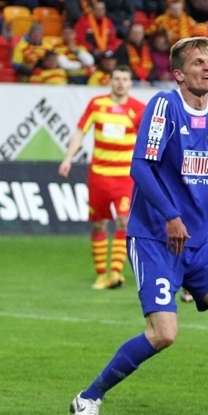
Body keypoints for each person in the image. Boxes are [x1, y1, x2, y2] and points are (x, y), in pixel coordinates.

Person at [70, 37, 208, 415]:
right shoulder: (164, 106)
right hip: (154, 238)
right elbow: (140, 167)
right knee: (163, 334)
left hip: (197, 240)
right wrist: (170, 216)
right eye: (198, 62)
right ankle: (89, 397)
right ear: (179, 74)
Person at [59, 67, 147, 289]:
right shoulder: (97, 104)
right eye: (117, 78)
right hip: (99, 175)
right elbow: (80, 132)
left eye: (125, 79)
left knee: (123, 221)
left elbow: (147, 141)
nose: (120, 83)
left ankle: (115, 272)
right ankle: (100, 274)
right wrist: (68, 159)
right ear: (110, 81)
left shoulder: (138, 109)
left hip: (125, 177)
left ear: (130, 83)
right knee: (99, 224)